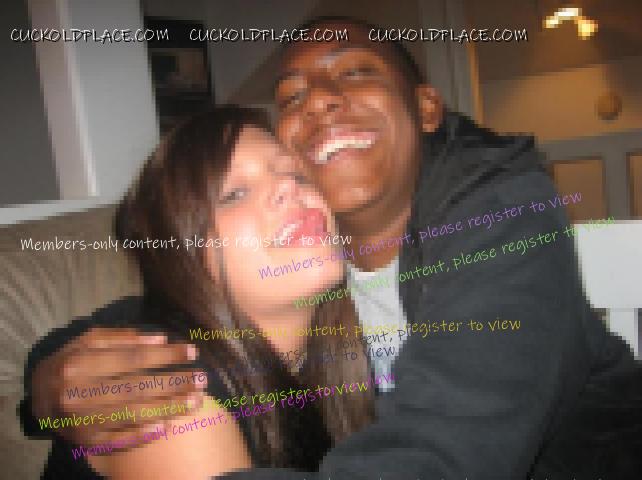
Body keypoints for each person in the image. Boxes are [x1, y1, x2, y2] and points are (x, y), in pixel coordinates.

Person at [21, 16, 641, 479]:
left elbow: (446, 454)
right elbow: (148, 321)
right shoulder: (174, 393)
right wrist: (49, 384)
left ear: (426, 107)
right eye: (291, 96)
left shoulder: (495, 212)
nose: (318, 98)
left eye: (356, 71)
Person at [20, 105, 376, 479]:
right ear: (183, 259)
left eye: (297, 174)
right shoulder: (169, 398)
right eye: (234, 193)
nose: (289, 186)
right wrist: (46, 390)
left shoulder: (363, 336)